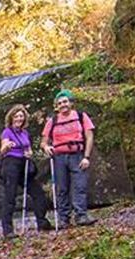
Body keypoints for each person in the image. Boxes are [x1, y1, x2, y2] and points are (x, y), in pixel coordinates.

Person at [41, 89, 96, 227]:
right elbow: (44, 141)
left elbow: (89, 137)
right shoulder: (52, 121)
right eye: (59, 103)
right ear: (56, 106)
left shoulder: (81, 116)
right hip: (59, 157)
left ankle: (81, 215)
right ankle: (63, 218)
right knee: (61, 188)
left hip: (77, 155)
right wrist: (46, 147)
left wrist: (86, 157)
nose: (62, 105)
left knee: (80, 185)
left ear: (71, 103)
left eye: (65, 101)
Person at [0, 104, 53, 239]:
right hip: (10, 163)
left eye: (21, 116)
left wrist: (29, 153)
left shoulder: (25, 133)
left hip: (24, 164)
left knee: (38, 193)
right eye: (16, 116)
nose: (19, 119)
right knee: (10, 196)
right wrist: (7, 146)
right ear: (11, 118)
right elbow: (2, 149)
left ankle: (42, 222)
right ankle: (8, 230)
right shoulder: (7, 132)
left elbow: (28, 148)